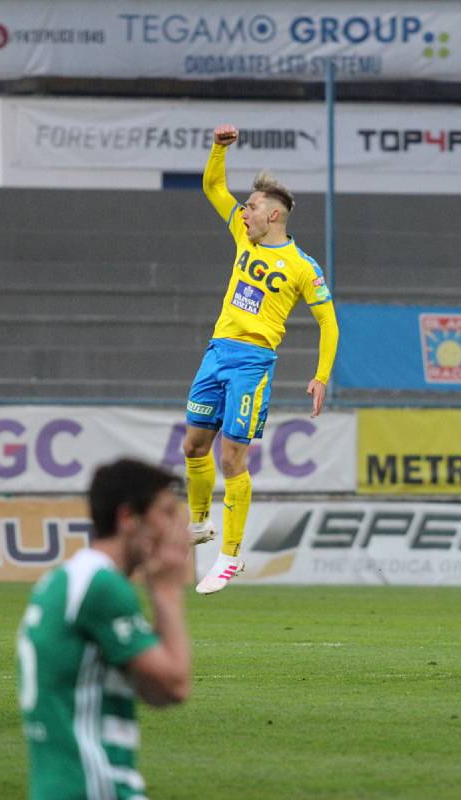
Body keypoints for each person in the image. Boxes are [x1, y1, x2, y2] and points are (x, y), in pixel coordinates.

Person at [185, 123, 339, 595]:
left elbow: (329, 323)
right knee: (193, 446)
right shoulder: (242, 236)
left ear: (273, 215)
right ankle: (199, 523)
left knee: (233, 458)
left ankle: (230, 557)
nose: (243, 212)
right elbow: (212, 185)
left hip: (253, 362)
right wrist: (218, 149)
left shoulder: (302, 267)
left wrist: (320, 376)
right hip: (217, 353)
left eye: (250, 207)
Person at [17, 458, 191, 800]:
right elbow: (175, 684)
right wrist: (167, 591)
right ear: (128, 518)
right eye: (167, 513)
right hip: (92, 787)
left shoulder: (68, 579)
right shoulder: (102, 587)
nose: (179, 528)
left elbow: (154, 692)